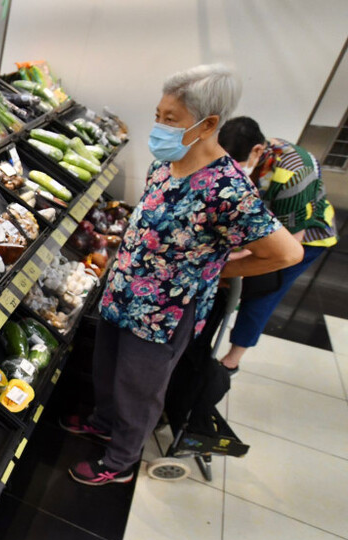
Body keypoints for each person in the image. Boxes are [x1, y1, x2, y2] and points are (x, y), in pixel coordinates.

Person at [60, 64, 303, 486]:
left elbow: (285, 252)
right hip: (123, 295)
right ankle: (103, 420)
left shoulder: (229, 190)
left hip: (163, 313)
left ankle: (119, 461)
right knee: (107, 368)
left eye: (170, 120)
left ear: (208, 124)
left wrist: (219, 268)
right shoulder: (167, 163)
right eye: (158, 115)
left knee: (139, 388)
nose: (159, 127)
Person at [216, 117, 339, 373]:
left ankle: (231, 361)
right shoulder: (246, 156)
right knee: (229, 281)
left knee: (263, 291)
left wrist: (232, 262)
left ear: (257, 150)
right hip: (267, 229)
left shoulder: (294, 174)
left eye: (236, 165)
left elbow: (288, 246)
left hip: (304, 238)